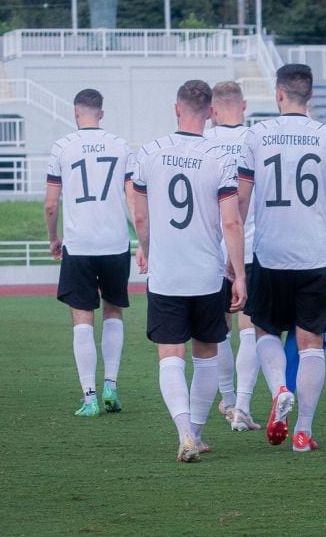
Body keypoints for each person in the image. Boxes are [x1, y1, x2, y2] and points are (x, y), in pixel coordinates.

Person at [237, 63, 326, 453]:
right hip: (315, 253)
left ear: (278, 94)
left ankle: (279, 388)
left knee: (263, 329)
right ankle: (302, 432)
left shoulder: (257, 135)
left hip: (270, 252)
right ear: (311, 95)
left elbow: (241, 200)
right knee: (311, 343)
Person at [132, 80, 247, 462]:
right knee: (207, 356)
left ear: (176, 108)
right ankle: (196, 432)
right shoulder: (219, 157)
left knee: (170, 356)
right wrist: (239, 274)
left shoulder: (149, 153)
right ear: (211, 112)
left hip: (166, 272)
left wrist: (147, 250)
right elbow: (231, 223)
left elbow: (141, 216)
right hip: (206, 272)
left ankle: (183, 432)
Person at [45, 88, 135, 417]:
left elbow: (51, 204)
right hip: (114, 244)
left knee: (82, 319)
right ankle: (111, 384)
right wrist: (144, 242)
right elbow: (133, 202)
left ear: (75, 113)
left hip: (79, 245)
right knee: (113, 312)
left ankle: (90, 397)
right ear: (101, 113)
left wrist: (53, 238)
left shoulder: (62, 147)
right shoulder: (120, 145)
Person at [205, 81, 262, 432]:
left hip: (211, 247)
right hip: (253, 243)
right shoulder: (256, 138)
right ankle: (242, 405)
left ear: (212, 110)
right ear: (243, 106)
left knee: (219, 330)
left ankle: (227, 401)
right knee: (250, 328)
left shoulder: (203, 143)